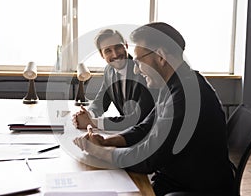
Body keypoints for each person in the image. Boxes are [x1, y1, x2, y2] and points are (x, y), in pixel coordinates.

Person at [73, 22, 234, 195]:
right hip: (175, 178)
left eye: (138, 60)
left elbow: (149, 157)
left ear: (160, 56)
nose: (136, 68)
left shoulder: (187, 95)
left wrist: (100, 152)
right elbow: (145, 127)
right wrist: (107, 142)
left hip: (194, 188)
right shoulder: (175, 85)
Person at [73, 29, 156, 131]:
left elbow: (138, 118)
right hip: (127, 133)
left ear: (126, 45)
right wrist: (88, 114)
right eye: (108, 51)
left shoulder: (143, 70)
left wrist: (94, 122)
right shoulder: (109, 70)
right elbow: (100, 102)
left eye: (118, 47)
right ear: (101, 55)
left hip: (147, 133)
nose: (115, 54)